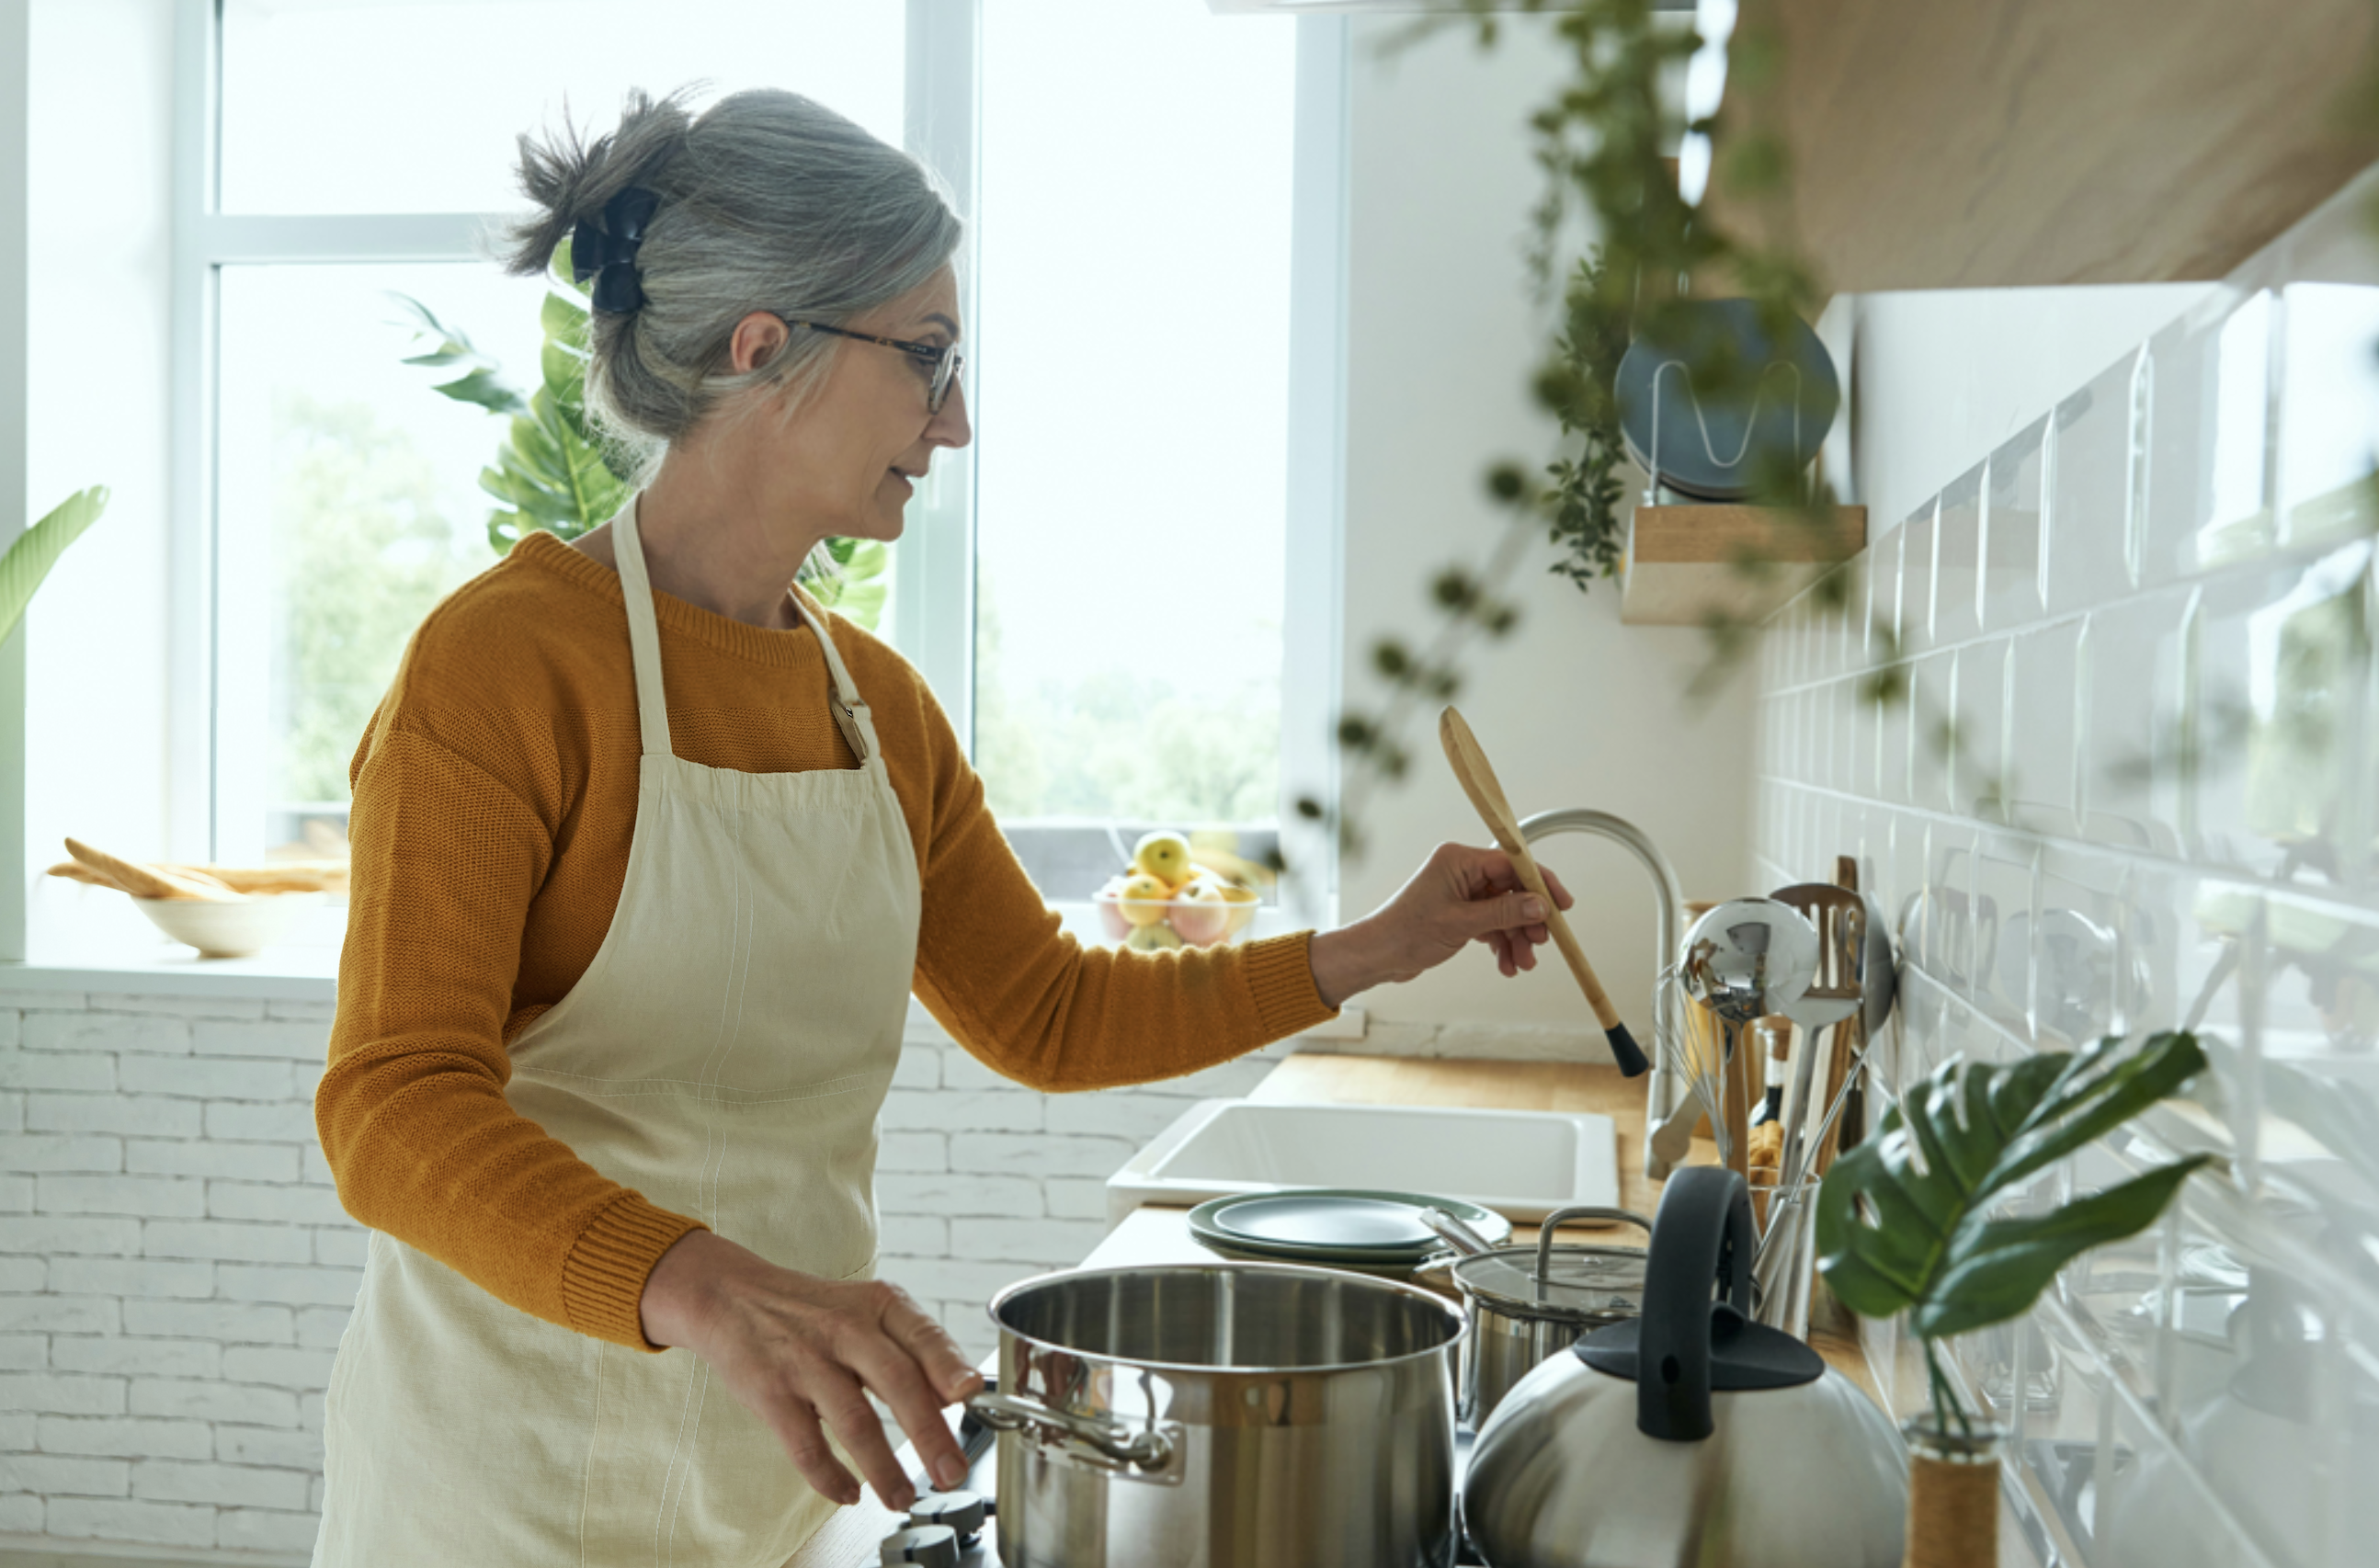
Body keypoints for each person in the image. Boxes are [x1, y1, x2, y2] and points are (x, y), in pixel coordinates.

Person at [309, 85, 1575, 1568]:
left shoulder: (878, 710)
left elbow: (1042, 1010)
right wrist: (710, 1285)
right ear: (762, 344)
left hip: (785, 1489)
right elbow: (393, 1105)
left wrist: (1375, 946)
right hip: (501, 1494)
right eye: (927, 358)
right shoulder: (504, 664)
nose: (957, 419)